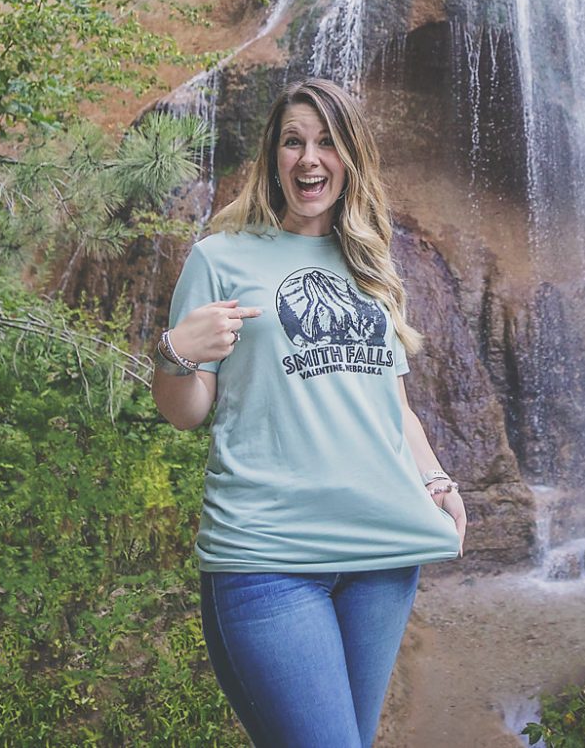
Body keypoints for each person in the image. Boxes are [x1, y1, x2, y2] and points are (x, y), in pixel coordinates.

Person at [152, 77, 466, 748]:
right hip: (269, 556)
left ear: (350, 157)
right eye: (293, 141)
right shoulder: (220, 257)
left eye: (326, 141)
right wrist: (176, 351)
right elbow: (186, 411)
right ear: (273, 156)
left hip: (381, 556)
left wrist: (438, 479)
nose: (309, 158)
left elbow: (393, 406)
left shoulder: (371, 262)